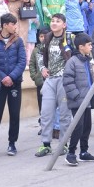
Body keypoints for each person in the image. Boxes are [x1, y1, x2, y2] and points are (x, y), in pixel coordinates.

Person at [30, 16, 75, 157]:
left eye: (58, 21)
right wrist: (42, 68)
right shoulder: (47, 38)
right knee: (46, 113)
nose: (54, 23)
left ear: (64, 24)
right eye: (53, 21)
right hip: (50, 80)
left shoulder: (70, 37)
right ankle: (46, 144)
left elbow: (79, 54)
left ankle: (64, 144)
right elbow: (39, 53)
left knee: (64, 114)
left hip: (64, 80)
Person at [0, 14, 27, 157]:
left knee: (14, 114)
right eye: (13, 24)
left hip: (15, 83)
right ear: (5, 25)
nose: (15, 26)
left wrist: (12, 77)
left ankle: (12, 143)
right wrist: (3, 78)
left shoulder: (19, 41)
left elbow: (22, 62)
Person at [61, 32, 94, 166]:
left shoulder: (87, 61)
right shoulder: (72, 61)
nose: (91, 47)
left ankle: (84, 152)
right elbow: (67, 81)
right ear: (81, 47)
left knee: (87, 127)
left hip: (87, 99)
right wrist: (77, 96)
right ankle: (71, 153)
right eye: (89, 45)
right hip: (78, 100)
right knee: (78, 126)